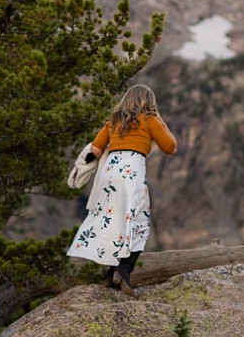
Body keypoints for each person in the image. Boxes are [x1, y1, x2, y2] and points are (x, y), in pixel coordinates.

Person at [66, 84, 177, 297]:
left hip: (108, 174)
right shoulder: (149, 120)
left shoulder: (113, 122)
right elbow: (170, 147)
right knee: (139, 223)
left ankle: (110, 275)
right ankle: (123, 272)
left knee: (114, 220)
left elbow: (96, 150)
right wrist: (159, 118)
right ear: (149, 103)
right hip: (131, 174)